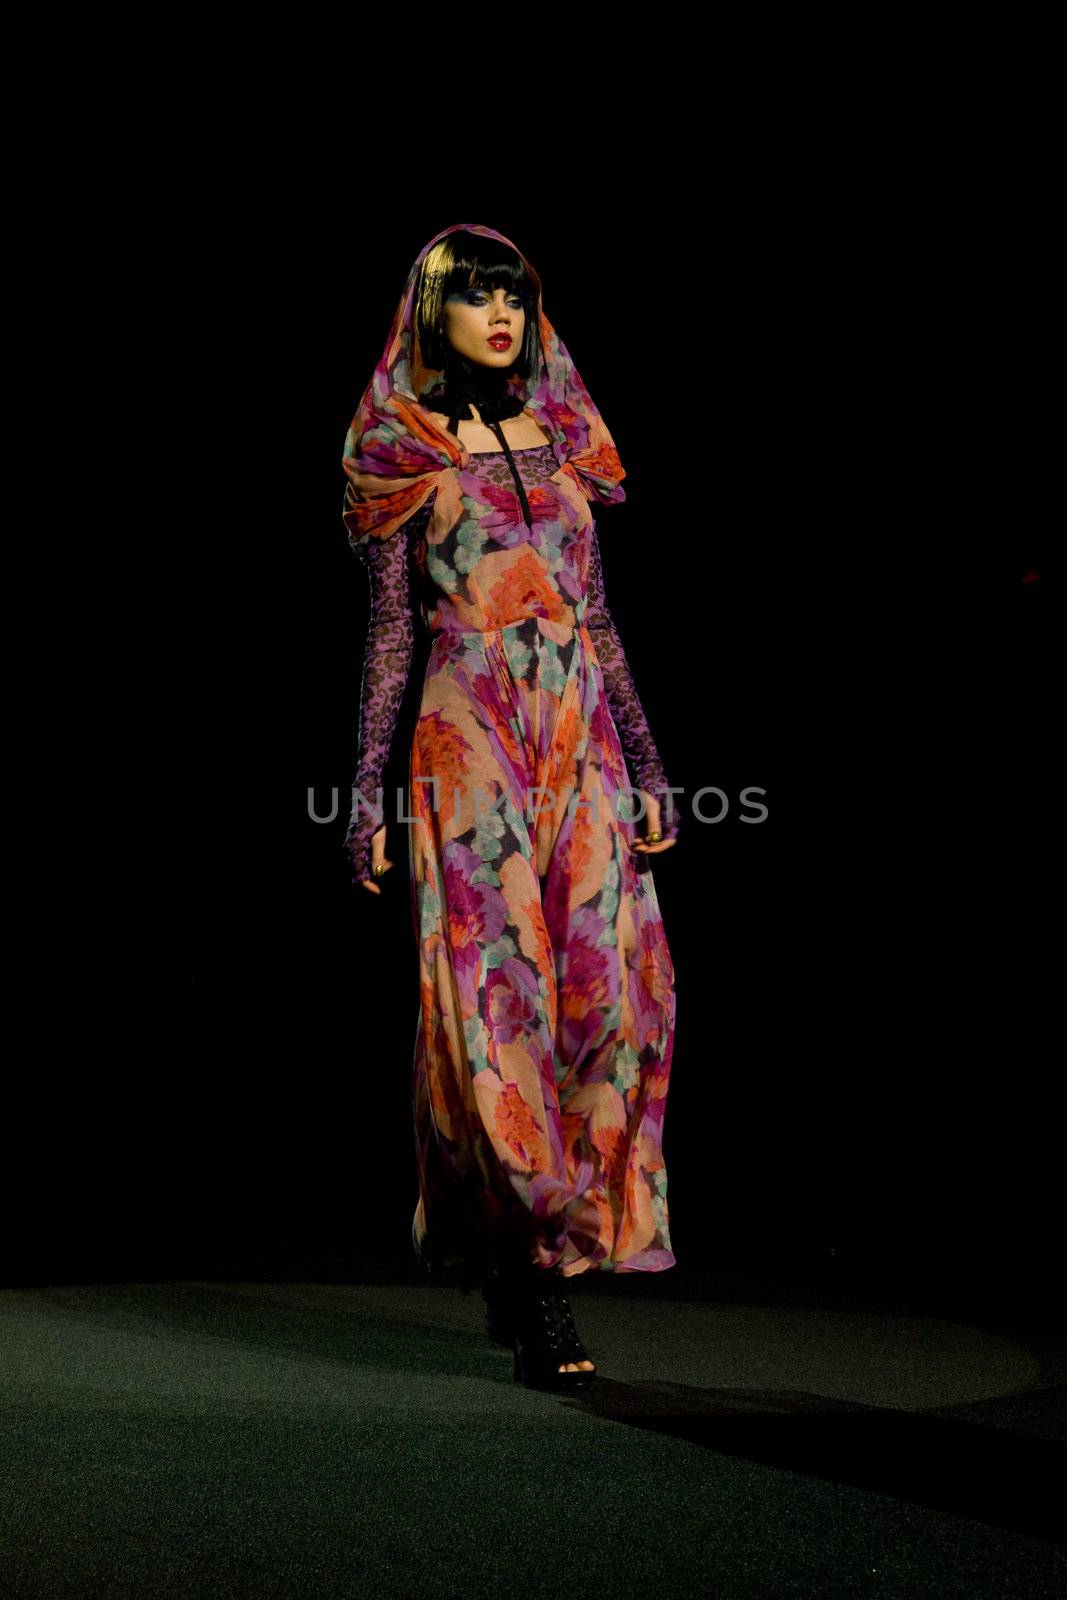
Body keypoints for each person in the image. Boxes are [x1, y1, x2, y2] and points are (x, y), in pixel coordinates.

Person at [341, 223, 679, 1391]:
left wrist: (642, 760)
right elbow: (391, 635)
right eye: (473, 297)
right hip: (468, 732)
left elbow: (595, 620)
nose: (498, 314)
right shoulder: (402, 450)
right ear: (430, 316)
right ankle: (532, 1286)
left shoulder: (567, 445)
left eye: (513, 297)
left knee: (614, 993)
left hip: (574, 727)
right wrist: (363, 799)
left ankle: (534, 1249)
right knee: (499, 996)